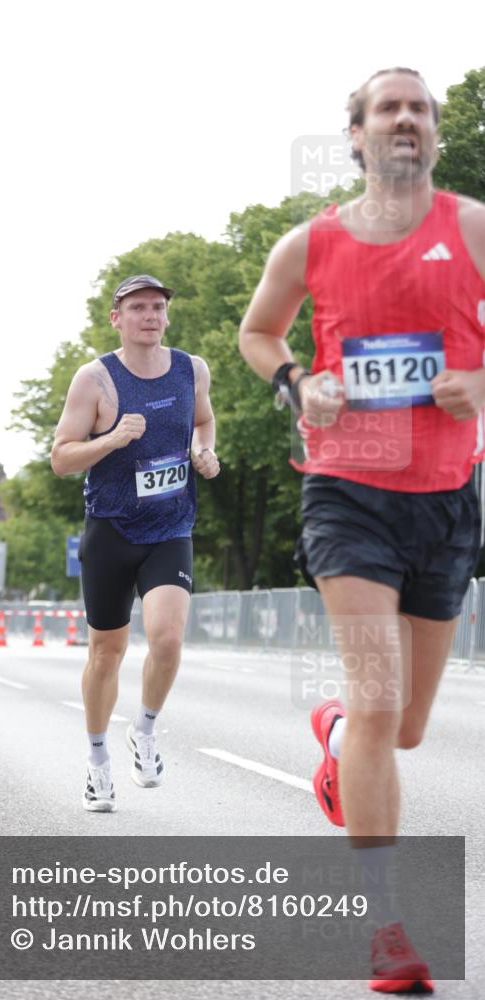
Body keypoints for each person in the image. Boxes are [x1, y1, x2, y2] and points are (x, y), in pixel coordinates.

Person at [239, 67, 485, 994]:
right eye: (388, 108)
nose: (406, 120)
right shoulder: (312, 242)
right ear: (356, 135)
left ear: (432, 133)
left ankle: (339, 739)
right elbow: (258, 333)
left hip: (447, 497)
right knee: (383, 703)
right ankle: (385, 927)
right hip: (345, 493)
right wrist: (296, 381)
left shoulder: (468, 228)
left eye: (419, 109)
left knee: (405, 727)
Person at [51, 274, 220, 812]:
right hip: (111, 531)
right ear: (116, 318)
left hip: (171, 526)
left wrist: (202, 450)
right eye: (138, 307)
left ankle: (144, 729)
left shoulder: (193, 369)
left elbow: (204, 421)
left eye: (158, 307)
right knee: (107, 653)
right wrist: (112, 439)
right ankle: (98, 761)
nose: (150, 315)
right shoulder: (95, 379)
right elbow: (60, 458)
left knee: (167, 639)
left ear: (167, 316)